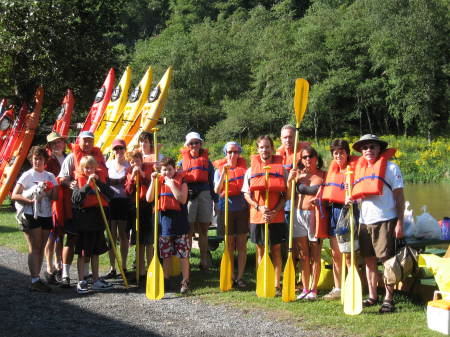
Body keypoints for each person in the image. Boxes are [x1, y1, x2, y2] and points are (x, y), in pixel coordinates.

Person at [351, 134, 404, 313]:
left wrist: (400, 223)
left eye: (372, 147)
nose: (368, 150)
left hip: (385, 219)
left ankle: (389, 299)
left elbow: (400, 198)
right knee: (369, 261)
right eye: (364, 147)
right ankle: (373, 296)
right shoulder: (360, 170)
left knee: (387, 261)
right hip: (365, 222)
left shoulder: (391, 168)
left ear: (379, 149)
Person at [58, 131, 107, 287]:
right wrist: (70, 183)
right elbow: (62, 177)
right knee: (71, 240)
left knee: (90, 242)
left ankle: (85, 275)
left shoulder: (96, 158)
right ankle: (65, 274)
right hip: (75, 206)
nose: (87, 144)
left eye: (90, 141)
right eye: (84, 141)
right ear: (79, 141)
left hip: (92, 209)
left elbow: (105, 183)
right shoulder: (72, 157)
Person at [242, 135, 287, 295]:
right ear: (258, 149)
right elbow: (246, 194)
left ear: (272, 149)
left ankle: (276, 285)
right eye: (261, 147)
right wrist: (259, 207)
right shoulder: (250, 171)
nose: (264, 150)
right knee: (260, 250)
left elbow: (286, 195)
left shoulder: (282, 170)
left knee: (275, 250)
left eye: (267, 147)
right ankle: (262, 281)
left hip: (276, 217)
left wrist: (274, 211)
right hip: (257, 216)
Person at [11, 146, 58, 292]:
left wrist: (49, 190)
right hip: (31, 213)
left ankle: (37, 279)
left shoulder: (50, 176)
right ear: (31, 159)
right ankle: (34, 280)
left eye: (40, 159)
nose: (37, 161)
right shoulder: (27, 175)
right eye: (35, 158)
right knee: (35, 246)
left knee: (42, 246)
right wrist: (29, 200)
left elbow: (55, 197)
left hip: (46, 214)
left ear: (45, 161)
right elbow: (14, 195)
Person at [321, 139, 358, 300]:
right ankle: (338, 288)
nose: (338, 155)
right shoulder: (333, 170)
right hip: (334, 211)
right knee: (336, 254)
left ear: (347, 153)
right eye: (335, 153)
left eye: (341, 152)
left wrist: (353, 198)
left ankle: (353, 287)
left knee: (349, 255)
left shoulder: (355, 169)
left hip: (349, 211)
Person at [147, 157, 191, 294]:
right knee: (166, 255)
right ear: (161, 170)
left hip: (180, 224)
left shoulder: (182, 182)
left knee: (183, 254)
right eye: (164, 170)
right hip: (164, 225)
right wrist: (152, 181)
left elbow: (182, 199)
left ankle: (185, 281)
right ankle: (166, 280)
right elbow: (149, 198)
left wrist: (172, 185)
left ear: (174, 169)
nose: (167, 172)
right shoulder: (158, 181)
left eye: (169, 169)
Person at [71, 155, 114, 294]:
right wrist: (87, 185)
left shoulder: (99, 181)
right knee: (83, 253)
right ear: (83, 169)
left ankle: (95, 280)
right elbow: (76, 200)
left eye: (91, 167)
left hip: (97, 220)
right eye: (86, 168)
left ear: (96, 168)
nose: (89, 170)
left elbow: (111, 194)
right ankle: (81, 280)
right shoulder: (78, 182)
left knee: (96, 252)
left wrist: (98, 183)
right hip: (84, 222)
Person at [287, 146, 325, 300]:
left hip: (315, 215)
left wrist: (320, 200)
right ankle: (304, 288)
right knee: (303, 254)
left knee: (315, 254)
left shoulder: (324, 175)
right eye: (304, 157)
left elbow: (328, 195)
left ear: (316, 158)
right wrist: (290, 180)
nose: (307, 159)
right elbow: (289, 196)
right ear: (301, 160)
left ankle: (314, 289)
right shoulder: (298, 175)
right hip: (298, 215)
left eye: (310, 156)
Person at [213, 141, 249, 288]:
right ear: (225, 154)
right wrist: (224, 174)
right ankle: (231, 275)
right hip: (225, 209)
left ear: (239, 153)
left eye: (235, 152)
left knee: (241, 244)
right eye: (230, 152)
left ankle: (240, 277)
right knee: (229, 244)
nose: (233, 155)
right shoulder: (219, 170)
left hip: (241, 209)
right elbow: (217, 190)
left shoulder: (245, 170)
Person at [179, 132, 216, 270]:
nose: (194, 145)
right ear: (187, 146)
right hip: (189, 196)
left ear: (201, 144)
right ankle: (186, 261)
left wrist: (216, 200)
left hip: (205, 195)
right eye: (191, 143)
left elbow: (212, 183)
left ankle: (203, 260)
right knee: (188, 230)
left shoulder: (208, 163)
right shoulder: (181, 163)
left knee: (204, 230)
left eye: (196, 142)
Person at [125, 150, 153, 282]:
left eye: (137, 160)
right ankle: (141, 271)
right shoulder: (129, 173)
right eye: (132, 161)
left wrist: (141, 174)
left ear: (141, 160)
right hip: (136, 209)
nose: (135, 163)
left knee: (149, 241)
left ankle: (150, 269)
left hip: (148, 207)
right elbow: (128, 190)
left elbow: (150, 183)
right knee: (139, 241)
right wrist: (132, 178)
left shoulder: (147, 171)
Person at [104, 139, 130, 279]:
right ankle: (112, 267)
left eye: (121, 148)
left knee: (124, 236)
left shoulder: (129, 165)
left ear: (125, 149)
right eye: (116, 149)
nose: (119, 151)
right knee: (111, 236)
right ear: (113, 151)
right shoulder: (108, 165)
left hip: (124, 202)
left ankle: (124, 266)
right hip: (111, 202)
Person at [44, 131, 67, 284]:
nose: (58, 145)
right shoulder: (50, 161)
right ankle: (49, 267)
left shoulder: (67, 158)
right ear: (50, 146)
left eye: (59, 142)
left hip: (66, 200)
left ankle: (59, 264)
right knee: (51, 235)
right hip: (53, 201)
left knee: (61, 234)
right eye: (54, 143)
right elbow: (48, 181)